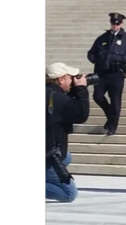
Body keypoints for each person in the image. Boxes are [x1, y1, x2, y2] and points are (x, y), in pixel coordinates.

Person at [87, 12, 126, 135]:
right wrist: (95, 59)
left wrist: (120, 58)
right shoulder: (102, 38)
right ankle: (111, 116)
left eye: (117, 23)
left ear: (121, 23)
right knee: (97, 96)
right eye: (113, 23)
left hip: (116, 74)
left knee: (115, 100)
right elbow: (91, 53)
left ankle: (112, 126)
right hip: (102, 73)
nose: (115, 26)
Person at [44, 63, 90, 202]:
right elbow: (81, 115)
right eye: (71, 78)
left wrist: (72, 91)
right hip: (48, 155)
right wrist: (81, 88)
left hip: (48, 149)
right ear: (61, 79)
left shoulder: (51, 94)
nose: (73, 81)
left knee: (67, 157)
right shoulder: (57, 98)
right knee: (69, 195)